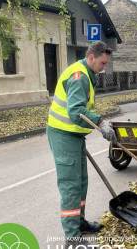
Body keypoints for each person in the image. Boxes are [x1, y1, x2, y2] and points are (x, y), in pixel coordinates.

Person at [46, 41, 117, 248]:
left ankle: (80, 222)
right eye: (103, 63)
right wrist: (100, 123)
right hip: (63, 135)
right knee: (70, 186)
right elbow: (76, 110)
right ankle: (72, 238)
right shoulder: (79, 76)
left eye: (106, 64)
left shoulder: (87, 73)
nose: (104, 68)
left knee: (81, 182)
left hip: (74, 135)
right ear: (91, 58)